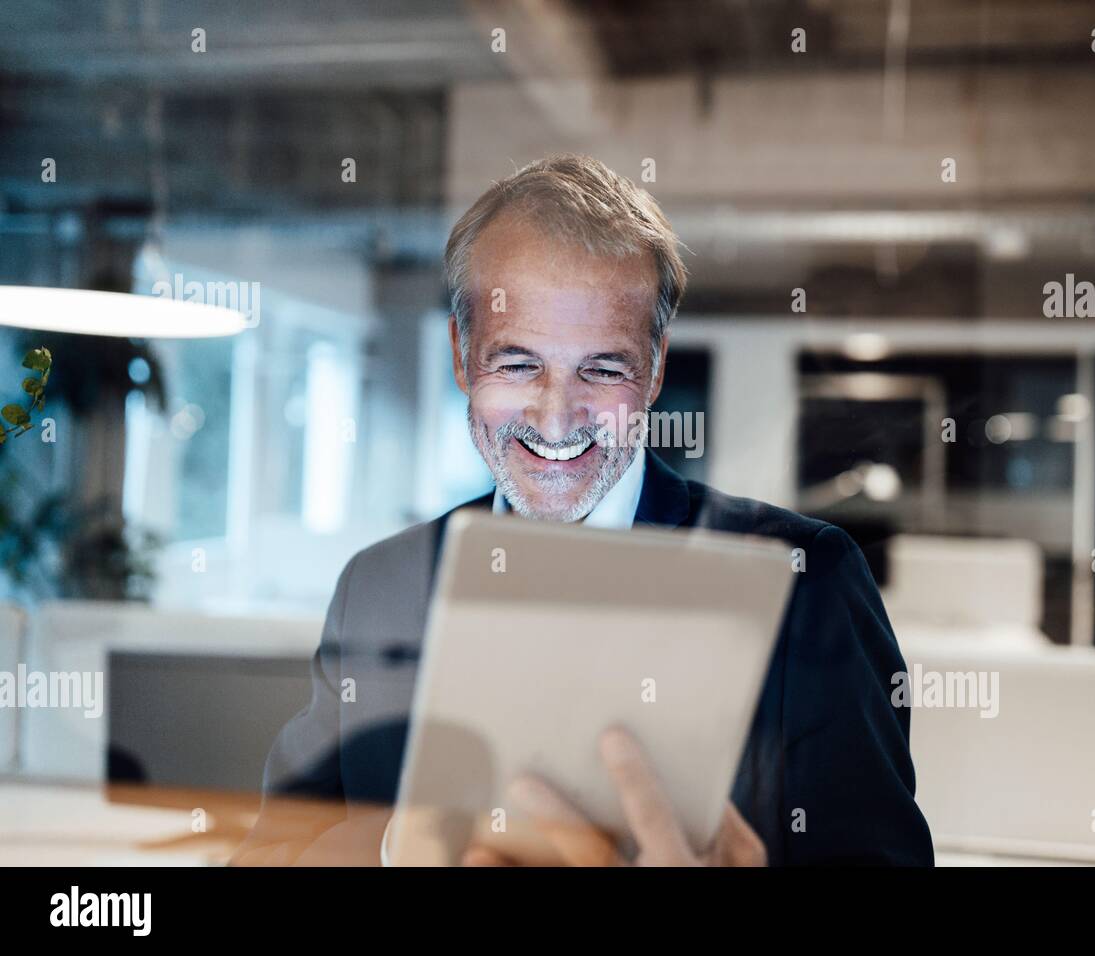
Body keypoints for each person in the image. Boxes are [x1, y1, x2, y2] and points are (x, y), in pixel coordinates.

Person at [233, 154, 933, 867]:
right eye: (516, 364)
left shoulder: (805, 581)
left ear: (656, 369)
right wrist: (392, 849)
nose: (558, 416)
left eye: (602, 369)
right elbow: (269, 855)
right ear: (460, 356)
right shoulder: (377, 587)